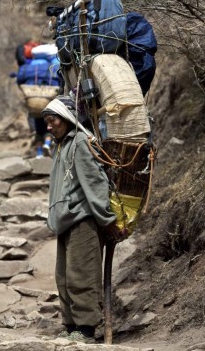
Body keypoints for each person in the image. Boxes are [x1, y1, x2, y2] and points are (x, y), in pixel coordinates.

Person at [42, 95, 120, 343]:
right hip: (66, 221)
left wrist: (107, 219)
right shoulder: (63, 145)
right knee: (64, 277)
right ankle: (71, 324)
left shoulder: (80, 143)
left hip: (82, 220)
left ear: (67, 118)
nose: (48, 126)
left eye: (52, 120)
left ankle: (86, 328)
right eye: (47, 121)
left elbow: (95, 184)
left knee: (81, 275)